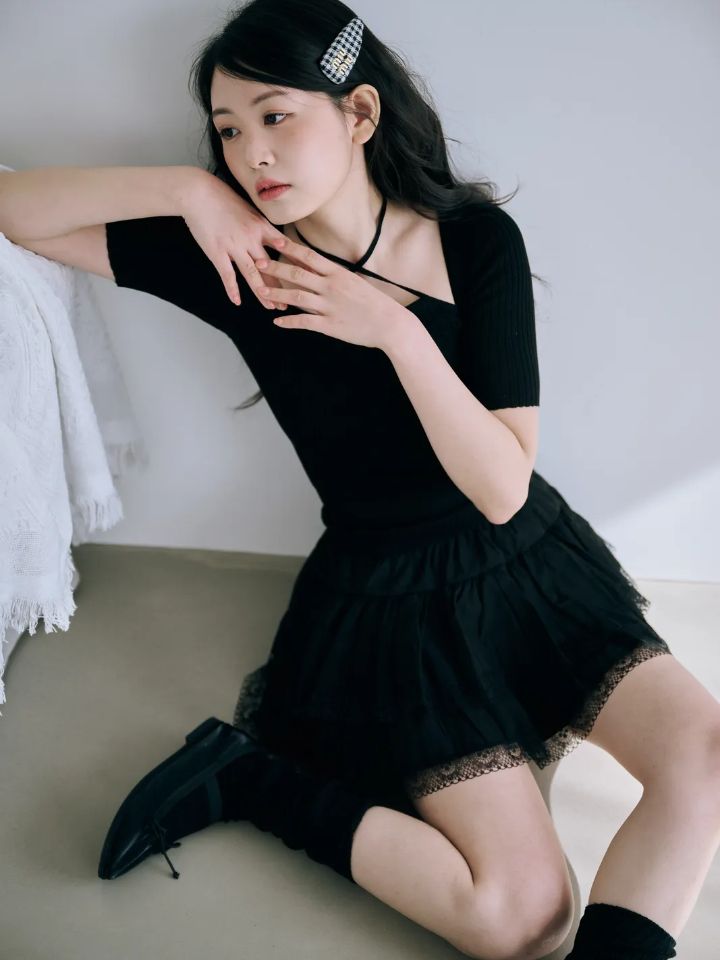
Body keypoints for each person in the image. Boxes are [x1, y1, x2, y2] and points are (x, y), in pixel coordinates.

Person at [5, 2, 719, 958]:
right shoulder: (244, 259)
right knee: (527, 921)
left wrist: (393, 331)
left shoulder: (475, 240)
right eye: (228, 130)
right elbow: (14, 211)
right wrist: (187, 188)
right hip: (393, 599)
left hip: (530, 559)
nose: (253, 153)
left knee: (707, 759)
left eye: (275, 115)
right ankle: (248, 777)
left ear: (360, 113)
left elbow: (502, 488)